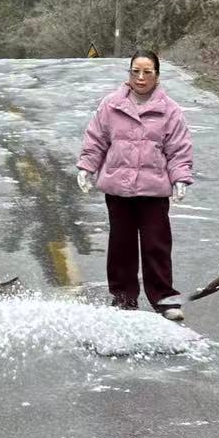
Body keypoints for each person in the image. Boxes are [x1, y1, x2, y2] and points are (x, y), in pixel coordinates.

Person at [75, 50, 195, 320]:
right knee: (121, 245)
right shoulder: (111, 105)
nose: (140, 78)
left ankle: (164, 299)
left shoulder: (169, 110)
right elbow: (96, 140)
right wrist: (86, 167)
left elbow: (178, 149)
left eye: (147, 72)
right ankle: (123, 298)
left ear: (157, 75)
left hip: (153, 191)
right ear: (129, 74)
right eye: (135, 72)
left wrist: (180, 179)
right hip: (119, 189)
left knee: (156, 245)